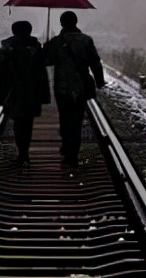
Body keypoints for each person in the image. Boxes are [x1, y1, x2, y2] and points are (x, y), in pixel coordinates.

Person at [44, 10, 105, 166]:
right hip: (80, 87)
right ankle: (72, 155)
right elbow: (95, 63)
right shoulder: (86, 40)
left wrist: (46, 47)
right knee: (76, 121)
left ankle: (66, 143)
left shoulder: (56, 42)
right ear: (76, 22)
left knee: (64, 118)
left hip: (61, 87)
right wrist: (99, 81)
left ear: (61, 23)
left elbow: (47, 61)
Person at [0, 19, 50, 164]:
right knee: (28, 122)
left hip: (14, 91)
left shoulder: (7, 48)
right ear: (29, 31)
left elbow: (1, 75)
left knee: (18, 122)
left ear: (14, 31)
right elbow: (42, 73)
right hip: (32, 91)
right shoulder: (36, 48)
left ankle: (22, 153)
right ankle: (25, 151)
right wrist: (44, 95)